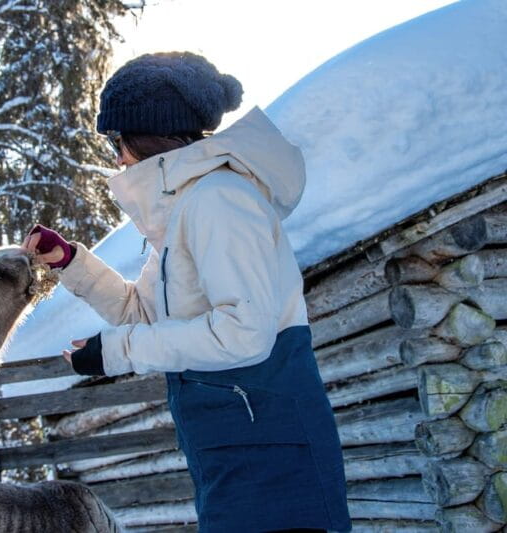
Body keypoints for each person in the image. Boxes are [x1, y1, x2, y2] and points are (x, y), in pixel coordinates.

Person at [22, 52, 352, 533]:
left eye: (117, 140)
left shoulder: (218, 200)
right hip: (234, 442)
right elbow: (144, 312)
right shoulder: (184, 210)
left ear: (147, 134)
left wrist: (120, 351)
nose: (116, 157)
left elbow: (245, 332)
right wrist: (71, 263)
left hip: (273, 450)